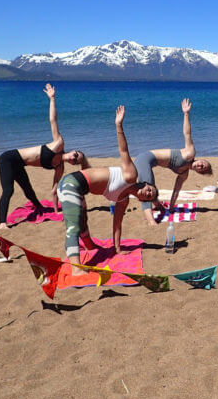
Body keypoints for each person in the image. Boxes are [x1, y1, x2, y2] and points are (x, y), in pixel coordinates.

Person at [57, 105, 157, 275]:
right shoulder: (131, 175)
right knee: (73, 226)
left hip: (80, 189)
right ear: (145, 183)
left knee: (82, 221)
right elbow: (124, 150)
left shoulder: (123, 200)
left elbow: (117, 224)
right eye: (150, 189)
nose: (148, 193)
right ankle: (76, 268)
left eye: (149, 197)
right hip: (71, 184)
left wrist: (117, 248)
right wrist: (119, 125)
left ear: (142, 201)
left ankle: (90, 247)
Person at [0, 83, 86, 230]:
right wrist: (52, 99)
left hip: (20, 164)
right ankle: (2, 223)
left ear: (73, 164)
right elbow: (53, 120)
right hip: (8, 158)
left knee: (28, 190)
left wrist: (56, 212)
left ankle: (38, 206)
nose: (74, 158)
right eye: (76, 154)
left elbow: (54, 191)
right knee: (8, 190)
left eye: (76, 160)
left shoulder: (59, 167)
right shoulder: (58, 144)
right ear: (73, 151)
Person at [134, 98, 213, 225]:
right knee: (147, 187)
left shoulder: (184, 174)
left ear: (199, 172)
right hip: (144, 158)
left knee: (151, 189)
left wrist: (171, 207)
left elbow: (176, 190)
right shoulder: (190, 153)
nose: (200, 165)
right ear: (201, 159)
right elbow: (187, 133)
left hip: (150, 163)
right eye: (203, 163)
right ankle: (151, 221)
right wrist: (186, 114)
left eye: (202, 168)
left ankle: (159, 206)